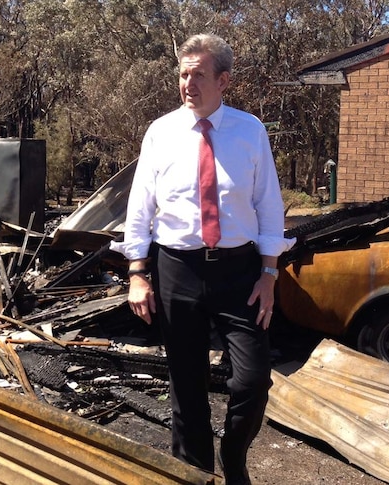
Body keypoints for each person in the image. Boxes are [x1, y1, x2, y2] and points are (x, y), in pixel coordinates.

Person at [110, 33, 296, 484]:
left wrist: (269, 273)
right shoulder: (161, 133)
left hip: (240, 272)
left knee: (253, 381)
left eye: (198, 74)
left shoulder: (250, 131)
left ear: (223, 80)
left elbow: (269, 205)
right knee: (186, 386)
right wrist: (138, 272)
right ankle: (193, 475)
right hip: (178, 269)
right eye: (182, 74)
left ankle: (234, 459)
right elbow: (141, 208)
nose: (187, 83)